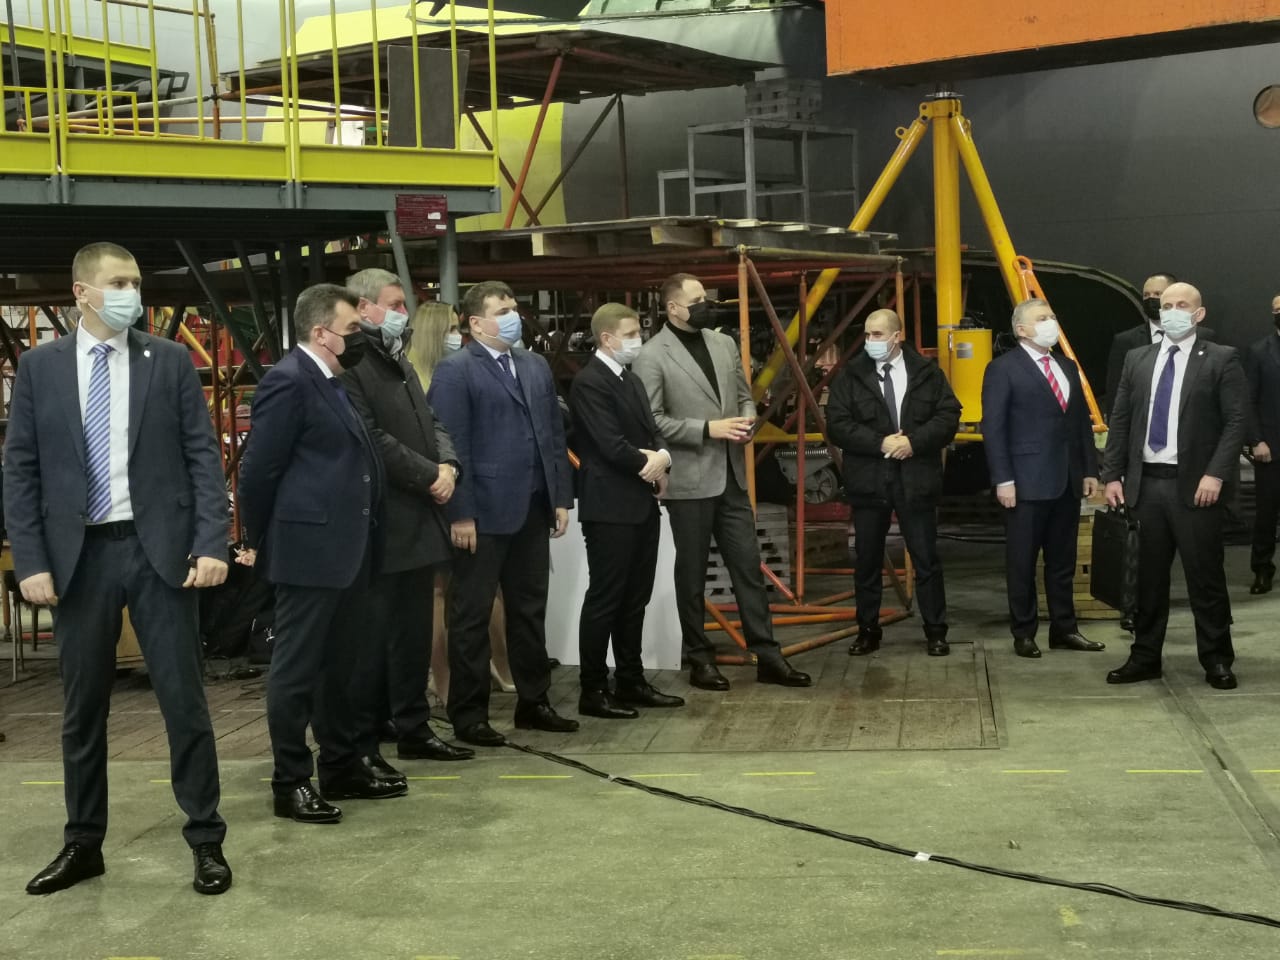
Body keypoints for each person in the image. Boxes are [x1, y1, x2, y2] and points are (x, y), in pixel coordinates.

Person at [5, 242, 231, 895]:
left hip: (160, 553)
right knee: (82, 710)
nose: (132, 293)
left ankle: (206, 840)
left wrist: (212, 543)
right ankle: (83, 843)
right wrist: (31, 559)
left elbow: (203, 458)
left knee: (184, 703)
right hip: (80, 558)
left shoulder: (170, 361)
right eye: (119, 282)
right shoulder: (40, 367)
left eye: (135, 281)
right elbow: (20, 471)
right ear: (82, 292)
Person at [238, 283, 404, 825]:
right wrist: (260, 540)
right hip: (308, 549)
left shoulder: (333, 380)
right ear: (320, 332)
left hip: (348, 548)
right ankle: (290, 780)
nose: (360, 338)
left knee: (341, 667)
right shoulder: (289, 381)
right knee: (297, 671)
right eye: (352, 330)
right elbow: (259, 471)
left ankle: (342, 764)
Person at [632, 273, 811, 691]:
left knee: (748, 568)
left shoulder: (723, 343)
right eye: (696, 300)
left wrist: (747, 420)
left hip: (732, 477)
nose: (706, 305)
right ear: (673, 308)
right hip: (690, 482)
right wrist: (707, 429)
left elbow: (744, 395)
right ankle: (700, 658)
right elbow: (652, 421)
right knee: (692, 576)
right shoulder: (652, 356)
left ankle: (768, 655)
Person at [426, 280, 578, 746]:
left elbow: (551, 436)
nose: (513, 317)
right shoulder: (456, 371)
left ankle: (534, 702)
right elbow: (451, 446)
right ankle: (469, 714)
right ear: (476, 323)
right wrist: (460, 513)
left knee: (529, 610)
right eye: (502, 311)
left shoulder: (533, 365)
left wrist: (559, 497)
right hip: (482, 514)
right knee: (470, 616)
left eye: (514, 308)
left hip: (532, 506)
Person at [342, 269, 473, 768]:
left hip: (419, 516)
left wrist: (449, 465)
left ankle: (412, 725)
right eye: (395, 304)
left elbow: (430, 420)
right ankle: (373, 727)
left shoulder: (396, 357)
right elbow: (371, 437)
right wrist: (428, 474)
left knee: (413, 634)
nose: (403, 313)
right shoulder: (353, 364)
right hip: (384, 520)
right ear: (364, 307)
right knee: (378, 636)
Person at [1101, 282, 1246, 689]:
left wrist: (1216, 473)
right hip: (1146, 486)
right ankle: (1145, 656)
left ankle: (1217, 659)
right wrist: (1112, 474)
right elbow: (1121, 419)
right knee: (1147, 581)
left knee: (1205, 578)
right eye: (1166, 305)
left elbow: (1236, 421)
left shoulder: (1221, 358)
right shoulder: (1138, 358)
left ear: (1199, 314)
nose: (1172, 311)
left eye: (1182, 305)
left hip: (1196, 488)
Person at [569, 303, 685, 718]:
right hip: (609, 507)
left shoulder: (630, 379)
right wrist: (650, 465)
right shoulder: (589, 382)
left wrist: (663, 459)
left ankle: (631, 680)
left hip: (641, 503)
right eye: (632, 333)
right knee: (605, 599)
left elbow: (652, 430)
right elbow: (608, 443)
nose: (639, 340)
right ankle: (593, 689)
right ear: (607, 338)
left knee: (635, 598)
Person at [826, 308, 961, 656]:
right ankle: (868, 631)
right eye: (867, 334)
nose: (870, 341)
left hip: (916, 480)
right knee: (867, 560)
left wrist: (913, 442)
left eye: (878, 335)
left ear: (897, 336)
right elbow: (837, 423)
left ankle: (936, 631)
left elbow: (948, 415)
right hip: (869, 482)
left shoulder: (927, 373)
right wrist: (881, 443)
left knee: (926, 559)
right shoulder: (851, 375)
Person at [981, 298, 1105, 660]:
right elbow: (994, 428)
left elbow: (1079, 424)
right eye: (1042, 318)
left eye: (1052, 316)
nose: (1051, 322)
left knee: (1062, 562)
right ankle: (1024, 632)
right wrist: (1003, 479)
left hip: (1066, 479)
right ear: (1021, 329)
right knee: (1022, 562)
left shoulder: (1066, 366)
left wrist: (1089, 469)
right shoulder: (1003, 369)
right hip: (1025, 482)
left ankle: (1065, 629)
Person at [1105, 273, 1219, 417]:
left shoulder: (1204, 337)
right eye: (1146, 295)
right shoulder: (1125, 341)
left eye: (1158, 294)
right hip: (1143, 421)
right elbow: (1115, 392)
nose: (1151, 299)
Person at [1244, 293, 1280, 594]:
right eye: (1277, 309)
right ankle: (1262, 569)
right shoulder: (1258, 351)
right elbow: (1248, 400)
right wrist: (1256, 440)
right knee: (1266, 514)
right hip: (1271, 448)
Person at [406, 300, 462, 393]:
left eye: (457, 328)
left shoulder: (441, 364)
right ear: (432, 331)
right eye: (451, 329)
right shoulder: (408, 373)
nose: (458, 335)